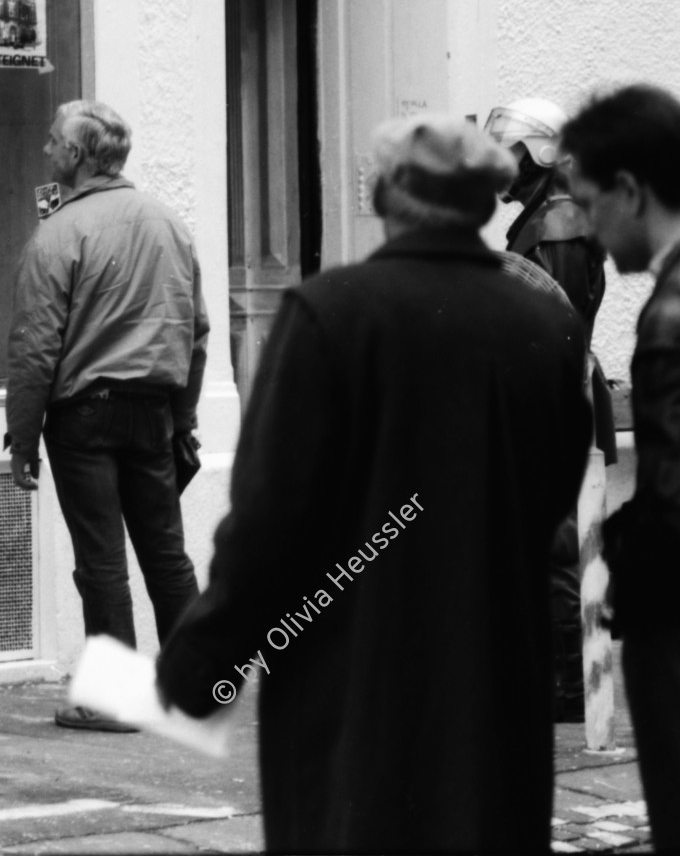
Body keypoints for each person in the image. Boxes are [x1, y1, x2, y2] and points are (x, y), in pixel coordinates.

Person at [156, 115, 592, 852]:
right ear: (486, 202)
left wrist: (204, 660)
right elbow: (553, 490)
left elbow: (270, 519)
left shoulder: (331, 313)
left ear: (387, 195)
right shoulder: (542, 319)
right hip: (491, 674)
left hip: (354, 678)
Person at [6, 100, 207, 732]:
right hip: (153, 412)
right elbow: (196, 331)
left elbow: (36, 346)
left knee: (102, 560)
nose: (46, 151)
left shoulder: (60, 233)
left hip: (84, 417)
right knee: (167, 554)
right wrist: (184, 417)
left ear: (77, 155)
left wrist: (23, 438)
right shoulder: (168, 224)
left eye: (53, 143)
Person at [560, 84, 680, 850]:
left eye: (589, 203)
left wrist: (623, 567)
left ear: (630, 190)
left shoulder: (669, 315)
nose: (590, 231)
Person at [487, 96, 615, 721]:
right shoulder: (545, 214)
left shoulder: (559, 222)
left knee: (557, 544)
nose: (498, 163)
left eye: (508, 149)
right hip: (542, 394)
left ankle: (567, 688)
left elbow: (558, 325)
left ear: (537, 151)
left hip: (552, 398)